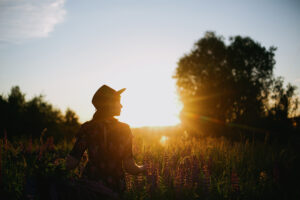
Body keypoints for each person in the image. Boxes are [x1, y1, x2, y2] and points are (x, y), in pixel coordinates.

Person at [65, 85, 146, 199]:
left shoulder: (88, 128)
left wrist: (51, 168)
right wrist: (144, 168)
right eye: (118, 102)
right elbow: (130, 167)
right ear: (109, 104)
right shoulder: (124, 129)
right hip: (115, 188)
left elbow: (71, 162)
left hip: (89, 186)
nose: (121, 105)